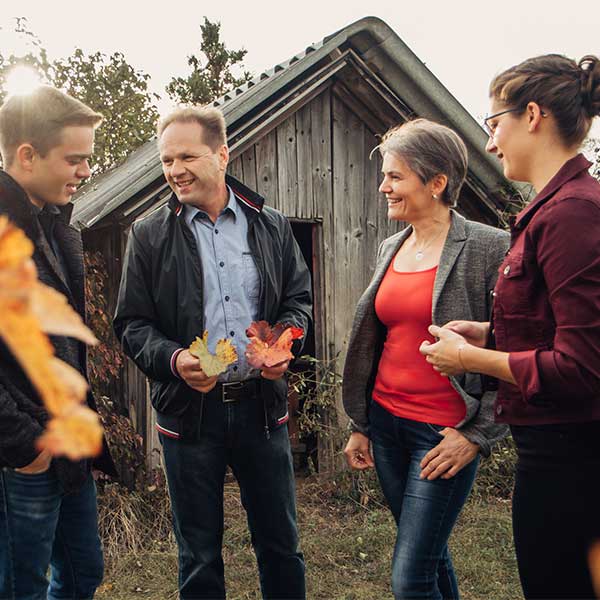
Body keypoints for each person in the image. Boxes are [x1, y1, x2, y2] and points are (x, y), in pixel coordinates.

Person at [113, 106, 311, 600]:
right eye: (166, 160)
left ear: (222, 154)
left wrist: (284, 342)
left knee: (281, 545)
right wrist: (176, 360)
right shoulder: (149, 233)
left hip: (261, 411)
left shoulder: (270, 225)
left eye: (186, 156)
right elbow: (132, 324)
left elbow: (297, 302)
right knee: (198, 555)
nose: (175, 169)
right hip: (189, 414)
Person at [421, 54, 600, 599]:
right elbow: (560, 331)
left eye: (493, 123)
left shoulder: (573, 213)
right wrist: (491, 335)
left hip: (574, 461)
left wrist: (470, 360)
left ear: (532, 115)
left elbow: (582, 367)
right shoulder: (551, 211)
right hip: (554, 451)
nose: (491, 142)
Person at [342, 118, 510, 600]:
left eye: (396, 176)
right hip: (387, 423)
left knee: (410, 579)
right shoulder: (391, 246)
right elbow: (378, 339)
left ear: (436, 183)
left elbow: (516, 346)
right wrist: (362, 424)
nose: (384, 186)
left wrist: (478, 436)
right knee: (429, 560)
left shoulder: (489, 247)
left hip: (442, 436)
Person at [0, 85, 115, 600]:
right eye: (75, 159)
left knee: (83, 573)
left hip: (68, 446)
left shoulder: (55, 224)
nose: (86, 171)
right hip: (21, 453)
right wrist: (25, 445)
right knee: (20, 587)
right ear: (27, 155)